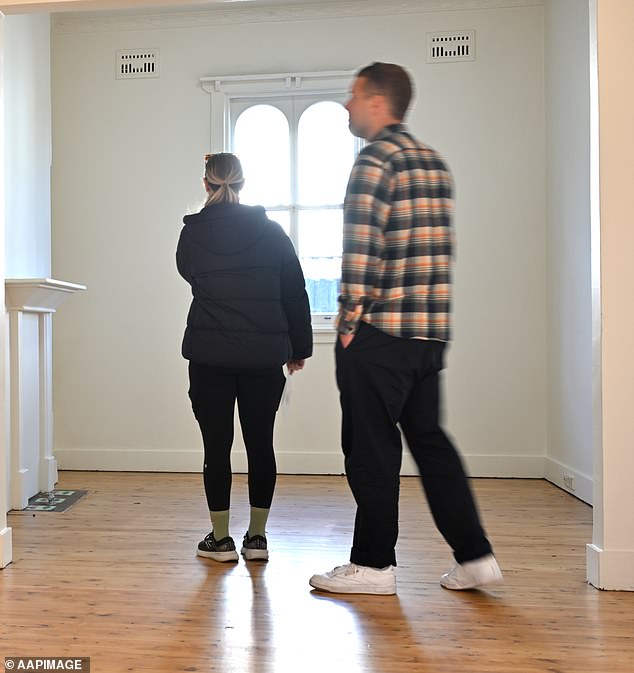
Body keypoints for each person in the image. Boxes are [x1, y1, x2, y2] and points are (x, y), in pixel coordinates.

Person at [309, 63, 502, 594]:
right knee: (429, 440)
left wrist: (348, 325)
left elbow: (362, 251)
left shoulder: (374, 160)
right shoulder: (434, 162)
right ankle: (475, 556)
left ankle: (372, 566)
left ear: (377, 101)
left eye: (353, 96)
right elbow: (439, 252)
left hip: (380, 334)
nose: (347, 106)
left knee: (370, 447)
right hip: (429, 334)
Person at [177, 152, 312, 563]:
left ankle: (220, 541)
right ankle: (257, 539)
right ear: (243, 183)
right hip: (264, 358)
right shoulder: (272, 233)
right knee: (260, 445)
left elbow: (189, 274)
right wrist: (299, 349)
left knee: (215, 448)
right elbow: (294, 291)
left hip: (209, 358)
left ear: (206, 184)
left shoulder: (192, 235)